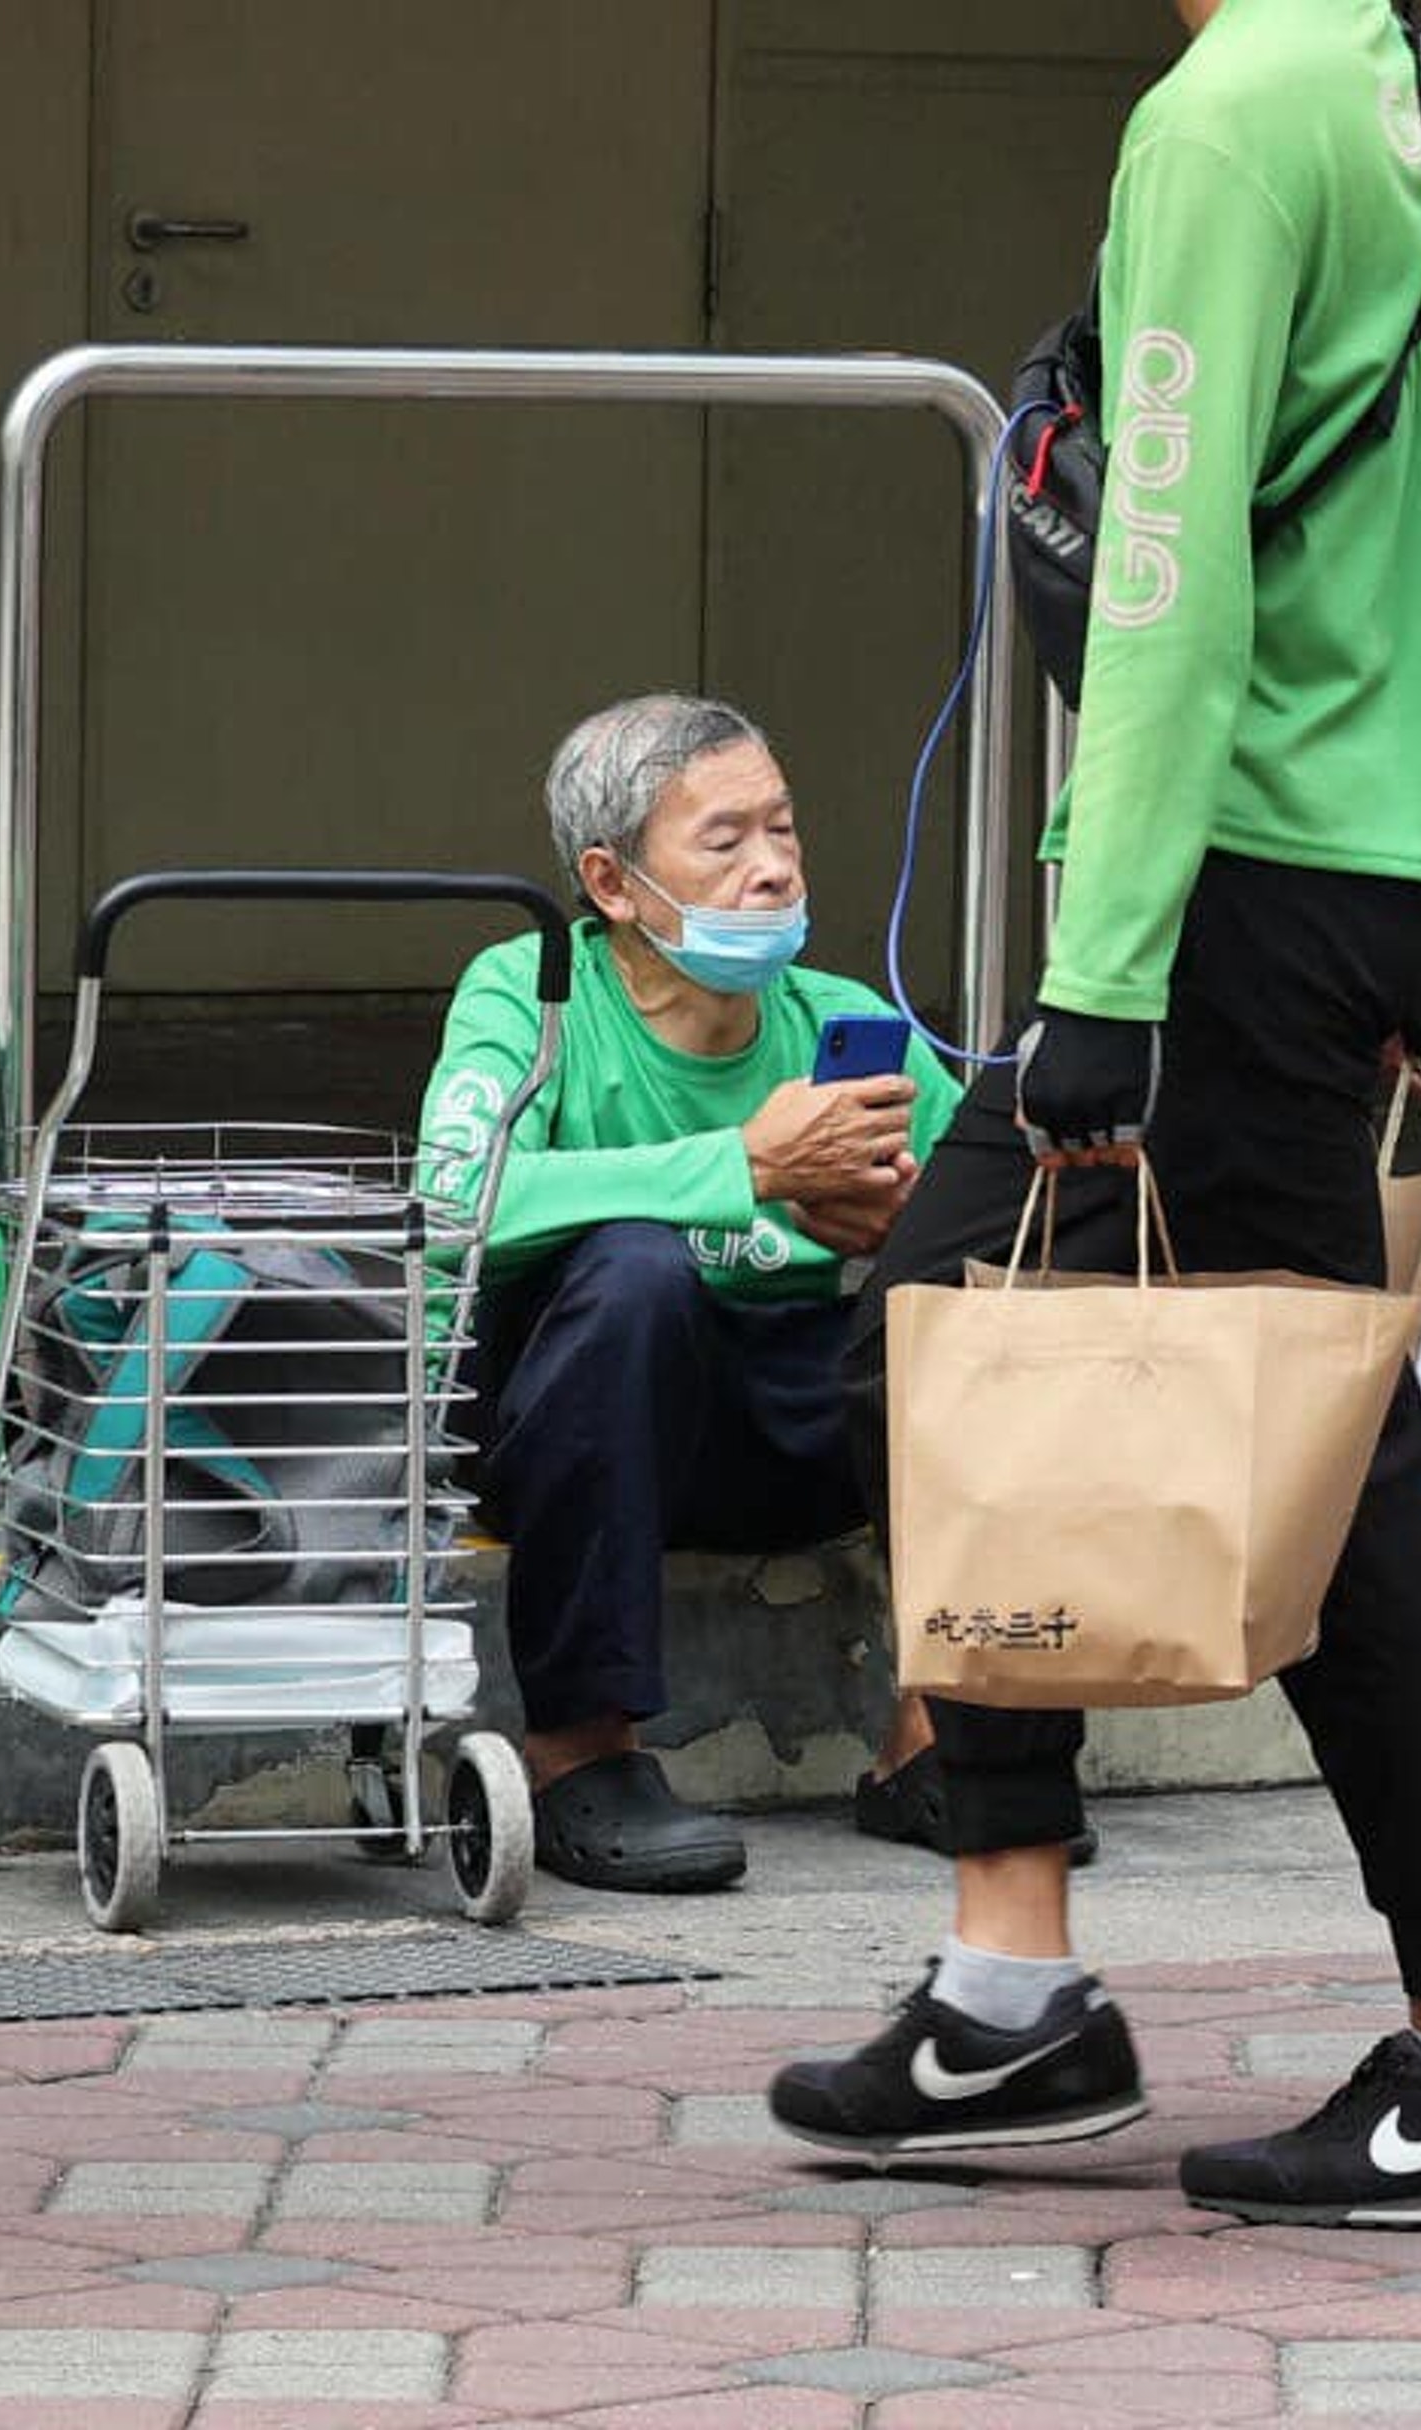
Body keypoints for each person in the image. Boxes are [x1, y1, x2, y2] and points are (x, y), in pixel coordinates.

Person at [766, 0, 1421, 2229]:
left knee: (1320, 1471)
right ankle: (1010, 1991)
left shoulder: (1225, 113)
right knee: (949, 1295)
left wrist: (1100, 984)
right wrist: (1398, 877)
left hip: (1225, 886)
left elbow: (1161, 580)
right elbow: (1404, 515)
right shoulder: (1401, 87)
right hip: (1328, 858)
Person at [417, 693, 972, 1893]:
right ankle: (579, 1753)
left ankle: (939, 1734)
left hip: (789, 1432)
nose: (773, 870)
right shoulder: (534, 993)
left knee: (961, 1295)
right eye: (726, 842)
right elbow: (450, 1200)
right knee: (634, 1268)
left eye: (784, 830)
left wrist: (908, 1229)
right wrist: (745, 1171)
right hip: (575, 1423)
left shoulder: (848, 1020)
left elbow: (1013, 1227)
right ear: (614, 883)